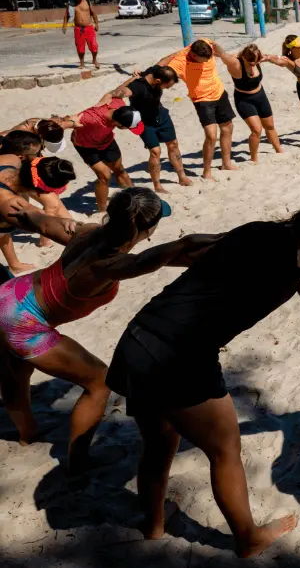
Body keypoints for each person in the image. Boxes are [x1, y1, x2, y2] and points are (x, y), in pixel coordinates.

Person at [105, 207, 300, 557]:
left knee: (158, 443)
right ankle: (247, 538)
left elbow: (191, 250)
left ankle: (153, 525)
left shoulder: (252, 231)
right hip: (179, 358)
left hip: (138, 335)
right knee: (225, 452)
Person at [0, 188, 212, 471]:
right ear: (148, 229)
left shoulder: (85, 232)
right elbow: (143, 262)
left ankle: (27, 435)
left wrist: (24, 213)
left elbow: (40, 222)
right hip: (23, 322)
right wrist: (186, 243)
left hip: (9, 294)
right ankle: (78, 463)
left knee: (16, 372)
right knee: (99, 381)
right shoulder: (110, 265)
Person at [158, 39, 238, 179]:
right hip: (202, 100)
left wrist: (219, 50)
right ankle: (207, 171)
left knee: (227, 128)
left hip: (219, 92)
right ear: (194, 55)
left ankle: (226, 163)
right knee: (211, 136)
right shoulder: (180, 62)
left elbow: (218, 50)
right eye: (203, 60)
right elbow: (160, 68)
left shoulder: (206, 44)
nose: (207, 61)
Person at [110, 65, 192, 191]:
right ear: (158, 81)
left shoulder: (154, 71)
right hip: (145, 123)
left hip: (162, 116)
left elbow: (165, 59)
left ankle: (182, 177)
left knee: (173, 144)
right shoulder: (136, 87)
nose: (168, 88)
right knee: (155, 151)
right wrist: (131, 80)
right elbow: (117, 93)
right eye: (167, 86)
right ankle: (157, 185)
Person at [71, 93, 146, 212]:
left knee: (120, 170)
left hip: (106, 141)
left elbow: (116, 92)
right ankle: (102, 211)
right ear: (118, 124)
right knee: (104, 176)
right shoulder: (90, 119)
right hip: (85, 146)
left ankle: (136, 201)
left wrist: (132, 79)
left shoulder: (118, 104)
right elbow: (65, 121)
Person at [219, 43, 283, 162]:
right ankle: (254, 159)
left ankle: (279, 150)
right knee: (256, 130)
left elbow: (277, 59)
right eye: (251, 63)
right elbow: (221, 54)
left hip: (260, 96)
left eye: (256, 62)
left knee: (270, 126)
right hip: (244, 99)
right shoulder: (235, 64)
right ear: (243, 57)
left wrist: (269, 58)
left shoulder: (257, 56)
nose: (254, 64)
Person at [62, 0, 100, 70]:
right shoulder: (71, 4)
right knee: (80, 47)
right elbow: (66, 15)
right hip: (78, 28)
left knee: (94, 45)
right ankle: (82, 63)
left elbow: (93, 13)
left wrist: (96, 24)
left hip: (89, 27)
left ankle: (94, 60)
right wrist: (64, 25)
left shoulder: (86, 1)